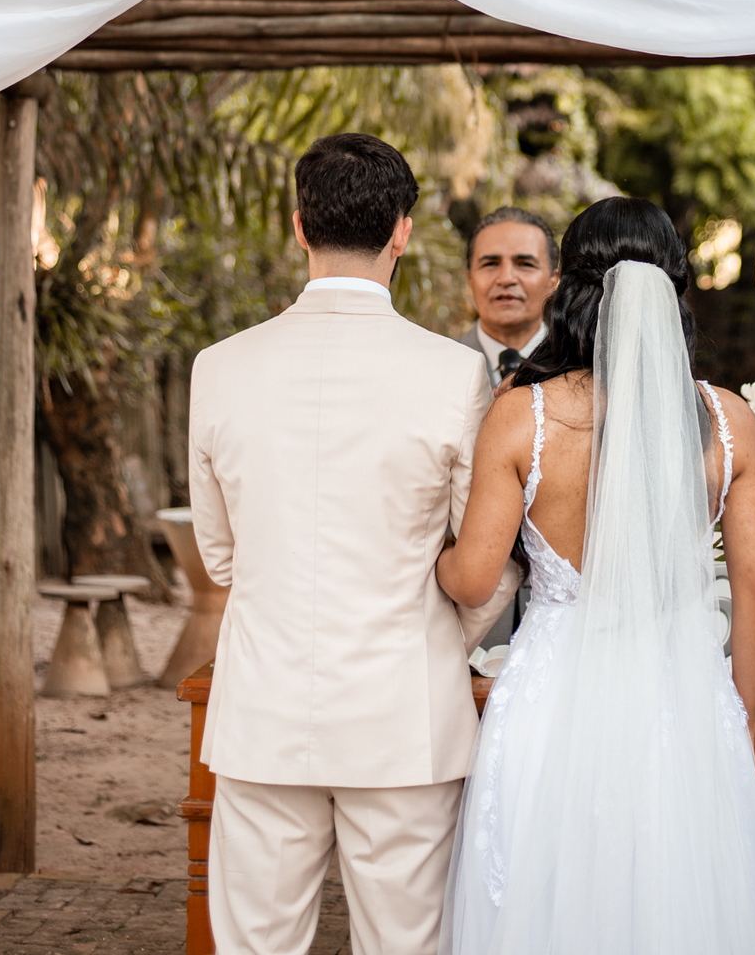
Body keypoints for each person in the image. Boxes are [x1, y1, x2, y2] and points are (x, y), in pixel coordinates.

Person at [435, 196, 755, 955]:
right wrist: (741, 714)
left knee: (545, 904)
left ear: (567, 287)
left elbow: (471, 582)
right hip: (680, 697)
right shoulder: (728, 421)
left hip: (549, 698)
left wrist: (429, 553)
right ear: (674, 289)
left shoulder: (523, 414)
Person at [189, 132, 519, 955]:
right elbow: (483, 569)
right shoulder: (453, 374)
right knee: (406, 943)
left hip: (263, 712)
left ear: (299, 226)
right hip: (405, 714)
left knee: (255, 944)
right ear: (403, 231)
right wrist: (437, 639)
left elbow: (221, 558)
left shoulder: (218, 367)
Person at [455, 206, 559, 390]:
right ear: (470, 279)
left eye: (525, 264)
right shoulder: (438, 364)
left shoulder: (582, 367)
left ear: (554, 280)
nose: (506, 279)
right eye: (490, 264)